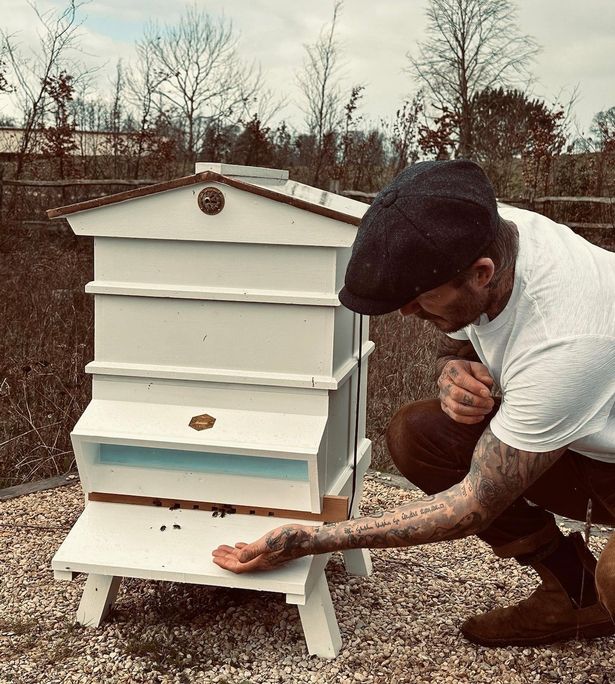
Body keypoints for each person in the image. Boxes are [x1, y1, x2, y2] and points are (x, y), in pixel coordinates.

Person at [213, 160, 615, 647]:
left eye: (420, 297)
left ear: (481, 273)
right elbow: (464, 334)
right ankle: (573, 594)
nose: (406, 311)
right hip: (589, 438)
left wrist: (311, 538)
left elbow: (472, 506)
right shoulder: (480, 231)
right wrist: (451, 370)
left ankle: (601, 594)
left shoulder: (564, 340)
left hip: (595, 439)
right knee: (418, 434)